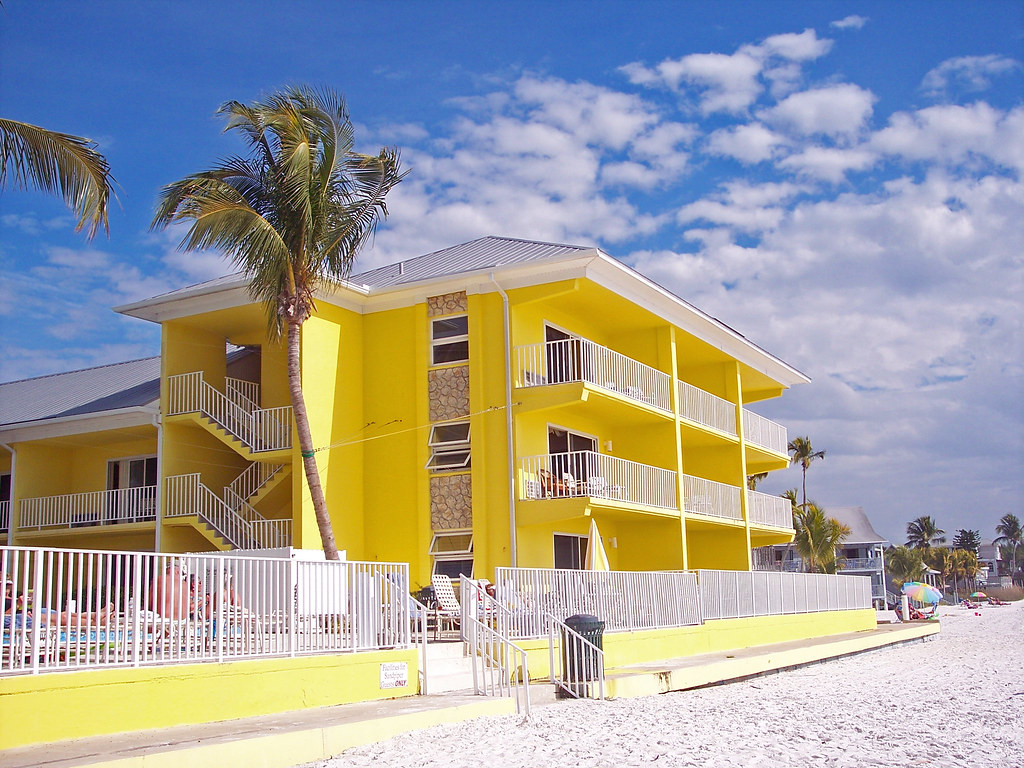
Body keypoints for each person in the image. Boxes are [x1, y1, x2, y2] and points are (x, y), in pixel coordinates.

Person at [4, 579, 113, 629]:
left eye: (8, 587)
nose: (7, 590)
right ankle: (95, 622)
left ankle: (95, 616)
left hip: (26, 613)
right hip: (15, 618)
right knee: (61, 618)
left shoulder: (10, 598)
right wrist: (17, 604)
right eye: (4, 586)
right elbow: (4, 617)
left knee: (65, 613)